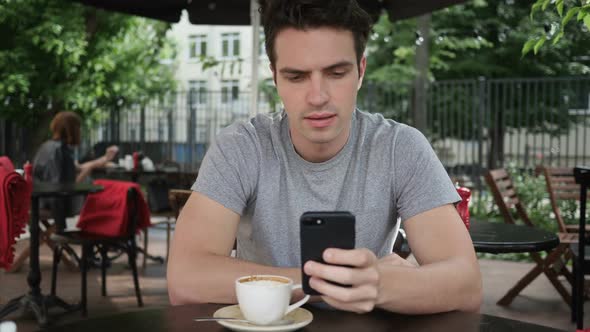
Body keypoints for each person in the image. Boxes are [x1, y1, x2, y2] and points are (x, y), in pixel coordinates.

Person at [168, 0, 482, 314]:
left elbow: (466, 284)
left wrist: (379, 285)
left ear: (360, 71)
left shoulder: (401, 147)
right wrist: (325, 283)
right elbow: (185, 279)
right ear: (275, 76)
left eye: (335, 73)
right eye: (296, 77)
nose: (317, 97)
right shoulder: (242, 146)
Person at [33, 111, 118, 220]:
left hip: (39, 202)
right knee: (107, 199)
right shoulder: (62, 150)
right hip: (58, 204)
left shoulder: (47, 146)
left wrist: (105, 158)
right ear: (72, 130)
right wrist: (90, 168)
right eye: (78, 127)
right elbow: (70, 185)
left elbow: (77, 167)